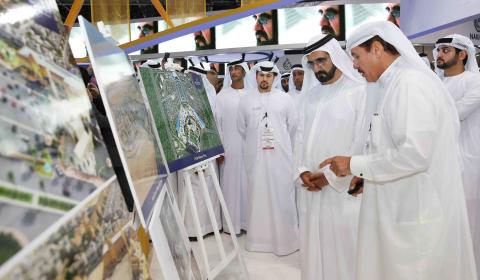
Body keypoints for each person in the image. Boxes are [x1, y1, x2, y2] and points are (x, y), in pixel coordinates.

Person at [321, 21, 477, 280]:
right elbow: (391, 146)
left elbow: (414, 154)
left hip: (414, 215)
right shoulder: (391, 85)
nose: (354, 66)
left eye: (357, 57)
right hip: (399, 208)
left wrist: (354, 165)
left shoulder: (410, 84)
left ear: (378, 49)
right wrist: (367, 176)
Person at [295, 33, 366, 280]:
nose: (317, 68)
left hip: (342, 188)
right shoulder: (309, 97)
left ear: (335, 57)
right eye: (312, 63)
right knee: (313, 247)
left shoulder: (359, 92)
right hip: (311, 188)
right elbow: (299, 138)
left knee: (344, 250)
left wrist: (330, 178)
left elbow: (361, 143)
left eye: (322, 61)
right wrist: (301, 171)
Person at [237, 61, 299, 255]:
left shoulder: (286, 99)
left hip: (280, 159)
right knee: (257, 196)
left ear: (274, 77)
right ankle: (258, 241)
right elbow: (242, 129)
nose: (264, 79)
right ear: (256, 76)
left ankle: (285, 241)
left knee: (282, 195)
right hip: (255, 158)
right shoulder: (246, 100)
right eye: (261, 75)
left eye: (268, 76)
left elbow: (293, 128)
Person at [434, 34, 480, 275]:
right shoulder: (435, 84)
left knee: (469, 216)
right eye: (438, 50)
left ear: (462, 54)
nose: (439, 54)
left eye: (445, 50)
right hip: (439, 159)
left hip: (470, 159)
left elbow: (455, 114)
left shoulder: (475, 81)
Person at [176, 62, 221, 239]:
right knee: (190, 188)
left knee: (207, 187)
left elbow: (216, 124)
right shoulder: (181, 97)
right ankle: (191, 229)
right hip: (187, 148)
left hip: (208, 149)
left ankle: (209, 225)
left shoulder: (209, 95)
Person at [215, 59, 250, 234]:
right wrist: (219, 149)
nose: (234, 71)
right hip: (229, 149)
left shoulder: (252, 94)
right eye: (231, 68)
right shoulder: (222, 96)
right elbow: (217, 124)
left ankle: (249, 224)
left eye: (237, 68)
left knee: (249, 185)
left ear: (244, 71)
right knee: (230, 185)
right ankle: (231, 225)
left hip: (250, 149)